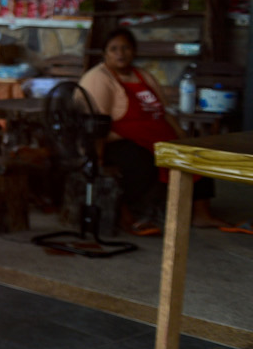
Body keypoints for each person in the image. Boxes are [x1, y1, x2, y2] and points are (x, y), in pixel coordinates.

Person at [77, 28, 215, 234]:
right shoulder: (99, 78)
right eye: (114, 49)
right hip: (116, 141)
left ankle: (202, 214)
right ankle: (126, 214)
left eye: (125, 48)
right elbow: (95, 125)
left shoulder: (143, 75)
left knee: (196, 154)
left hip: (157, 138)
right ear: (105, 54)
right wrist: (98, 157)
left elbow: (165, 112)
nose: (120, 53)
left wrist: (183, 136)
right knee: (140, 162)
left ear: (134, 51)